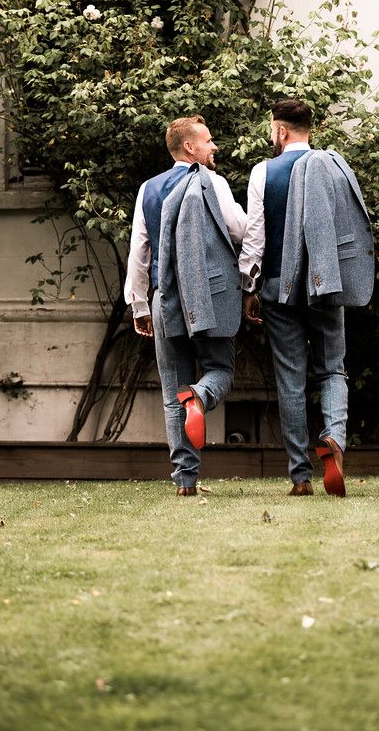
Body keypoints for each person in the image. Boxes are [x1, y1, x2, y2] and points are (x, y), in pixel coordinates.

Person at [239, 98, 374, 497]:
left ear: (280, 131)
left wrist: (250, 287)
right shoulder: (334, 168)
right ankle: (333, 437)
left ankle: (300, 477)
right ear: (308, 128)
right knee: (333, 369)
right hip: (326, 286)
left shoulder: (263, 171)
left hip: (280, 289)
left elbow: (255, 238)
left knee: (291, 380)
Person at [125, 116, 247, 496]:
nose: (214, 148)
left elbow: (139, 252)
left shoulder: (149, 188)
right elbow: (239, 230)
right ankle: (200, 395)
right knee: (220, 370)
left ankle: (185, 481)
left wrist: (139, 305)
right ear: (190, 148)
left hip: (164, 298)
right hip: (208, 296)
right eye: (209, 141)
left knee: (170, 390)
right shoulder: (214, 183)